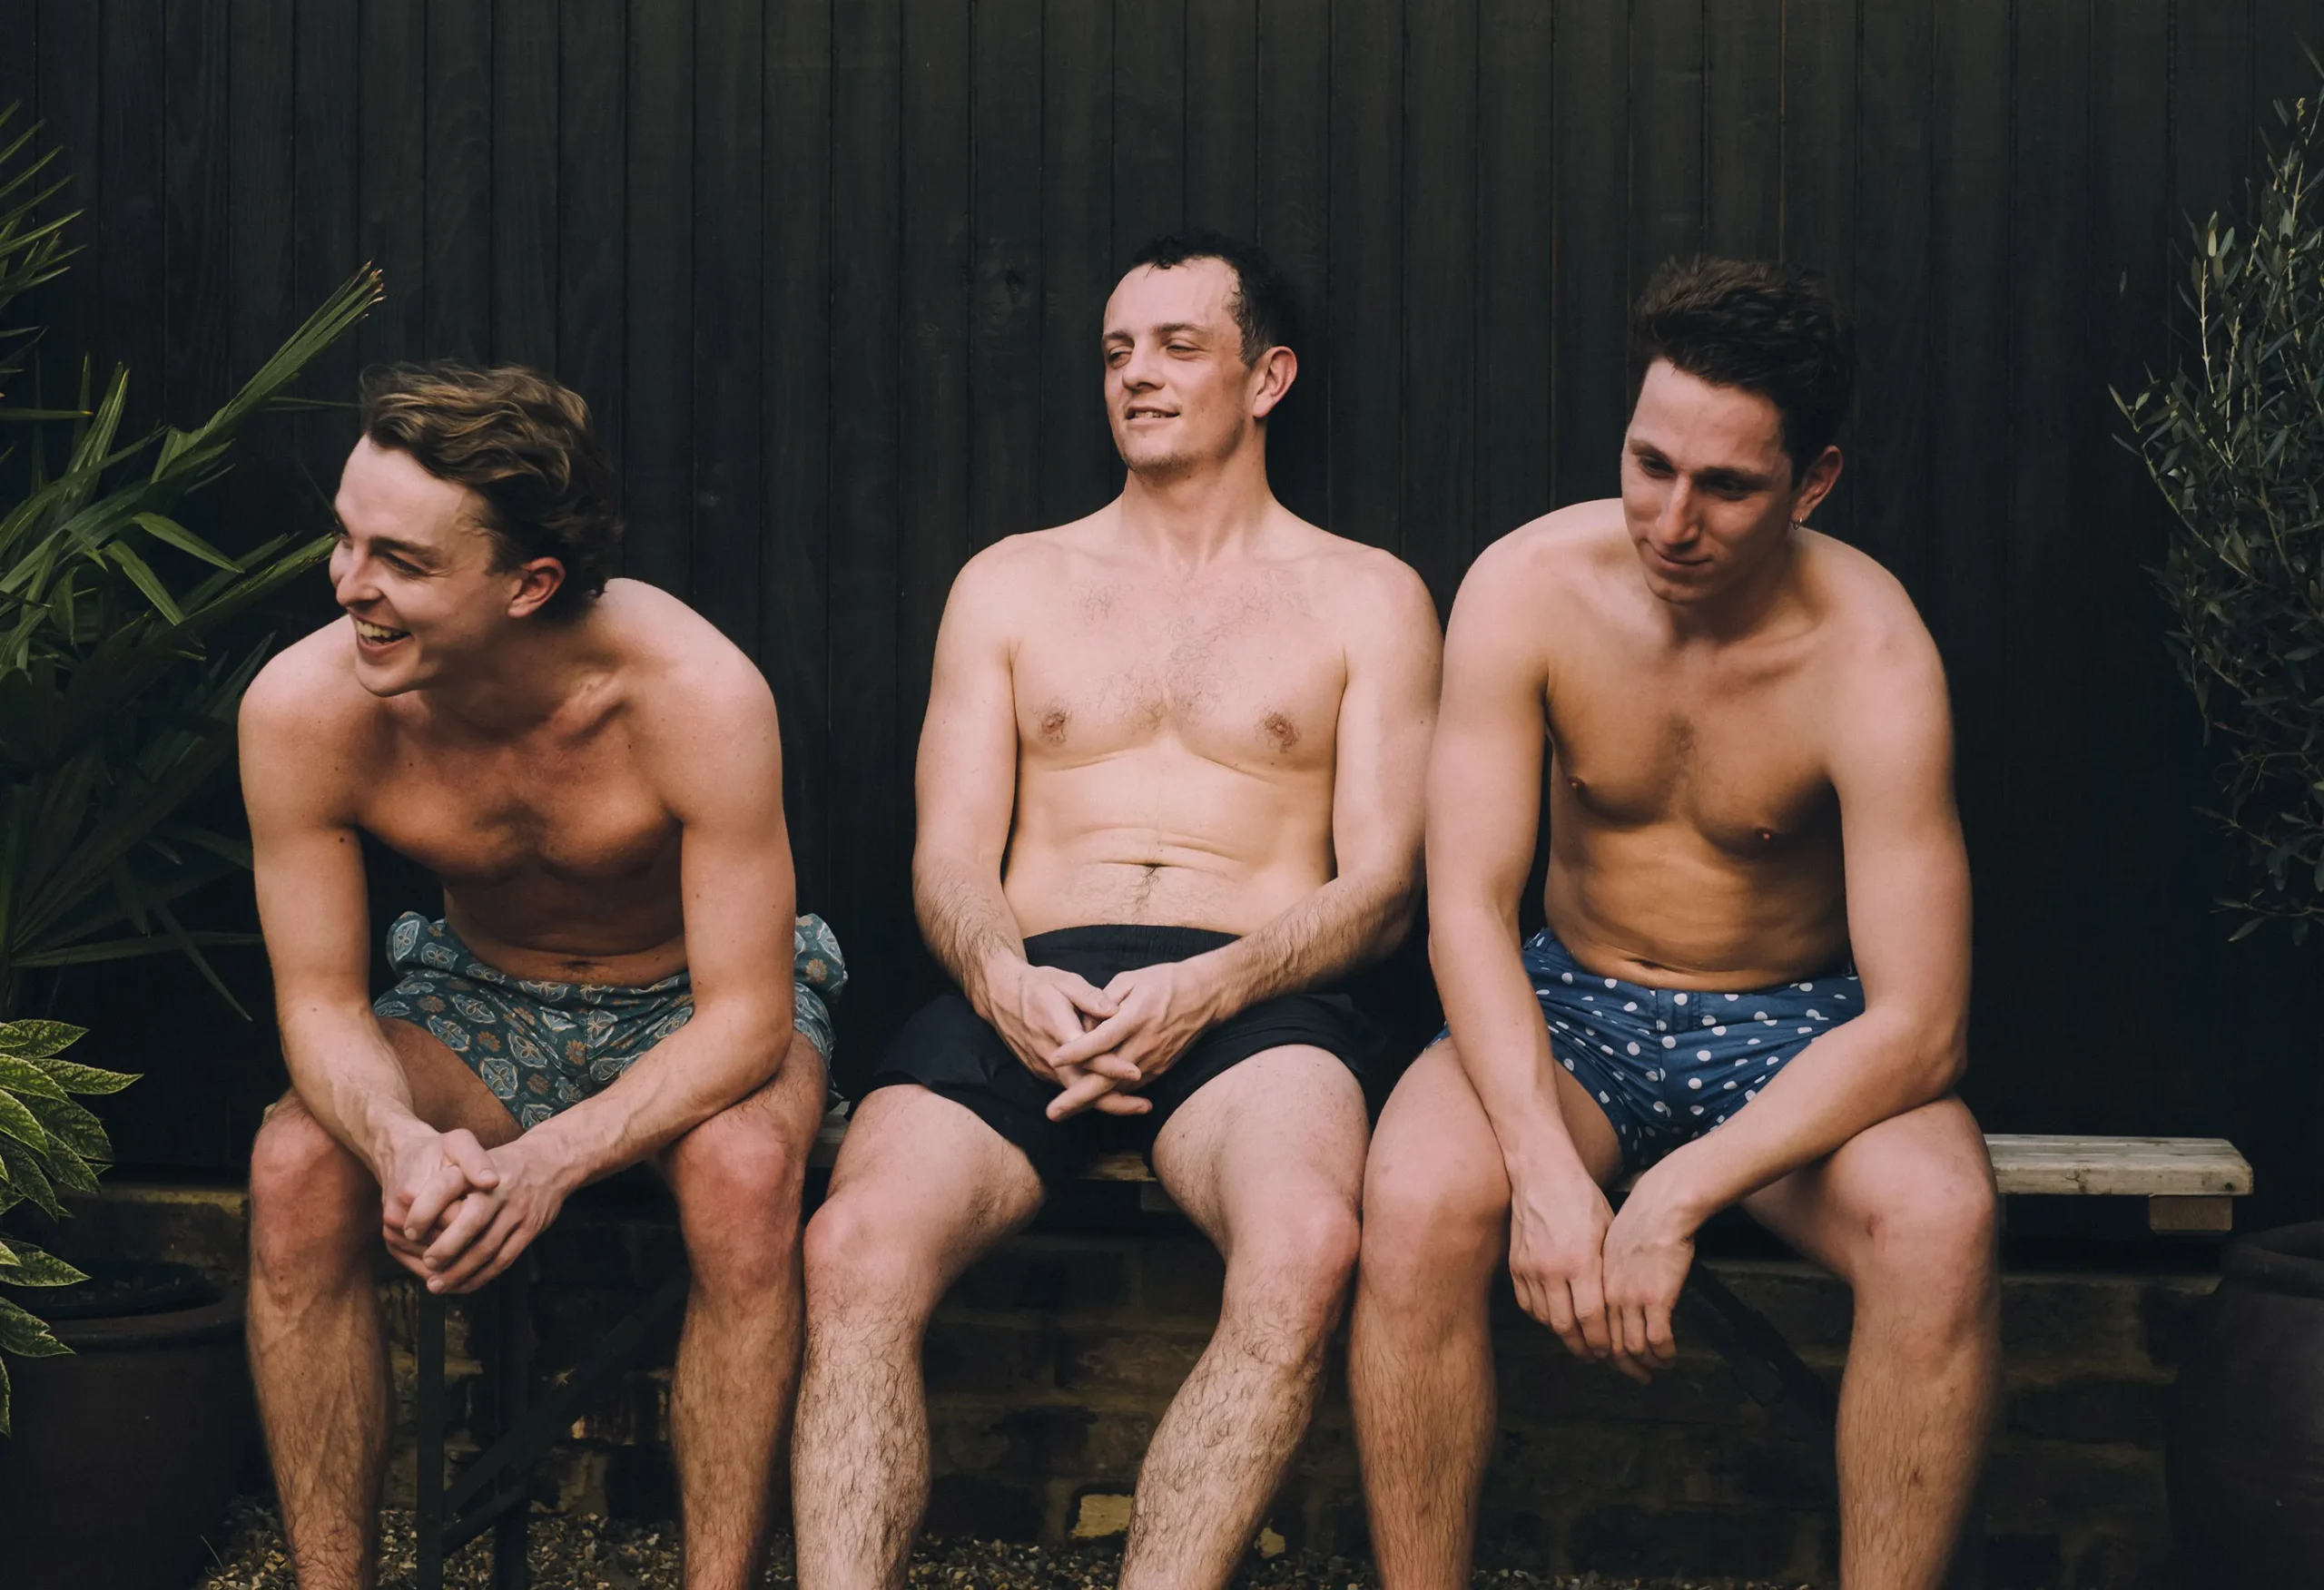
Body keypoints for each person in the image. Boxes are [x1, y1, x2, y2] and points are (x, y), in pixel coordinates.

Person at [789, 234, 1442, 1589]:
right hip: (1030, 983)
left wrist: (1212, 986)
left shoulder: (1368, 596)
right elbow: (951, 855)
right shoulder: (1012, 581)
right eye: (1117, 350)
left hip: (1258, 992)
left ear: (1268, 377)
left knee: (1308, 1243)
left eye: (1176, 346)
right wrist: (1003, 979)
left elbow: (1383, 887)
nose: (1137, 376)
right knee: (852, 1248)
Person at [1351, 258, 1997, 1589]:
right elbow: (1464, 907)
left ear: (1813, 483)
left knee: (1940, 1222)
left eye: (1727, 486)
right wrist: (1540, 1168)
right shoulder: (1527, 587)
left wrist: (1674, 1198)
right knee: (1418, 1199)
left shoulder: (1873, 657)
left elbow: (1923, 1026)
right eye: (1650, 464)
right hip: (1575, 1002)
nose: (1672, 517)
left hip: (1795, 1026)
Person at [240, 366, 842, 1590]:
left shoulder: (696, 696)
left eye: (400, 561)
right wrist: (401, 1144)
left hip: (689, 999)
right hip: (476, 994)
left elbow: (747, 1016)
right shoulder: (306, 709)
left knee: (745, 1175)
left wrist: (546, 1163)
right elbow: (320, 1004)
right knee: (298, 1168)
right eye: (346, 540)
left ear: (530, 584)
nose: (351, 585)